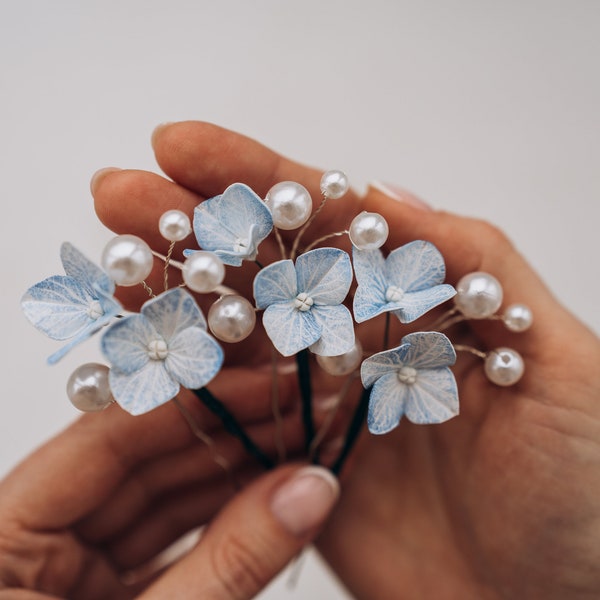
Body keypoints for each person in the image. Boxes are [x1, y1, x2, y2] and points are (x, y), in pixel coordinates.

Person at [1, 121, 599, 599]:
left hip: (341, 332)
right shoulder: (243, 294)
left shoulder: (343, 278)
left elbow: (336, 282)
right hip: (249, 330)